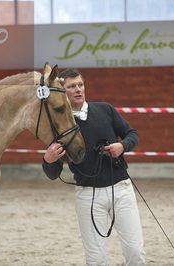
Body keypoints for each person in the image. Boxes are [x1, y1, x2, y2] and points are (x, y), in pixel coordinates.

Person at [42, 69, 146, 266]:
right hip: (87, 195)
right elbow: (52, 173)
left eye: (80, 85)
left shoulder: (105, 109)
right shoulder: (58, 125)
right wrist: (48, 159)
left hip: (121, 189)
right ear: (63, 92)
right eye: (72, 86)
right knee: (96, 259)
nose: (78, 90)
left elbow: (132, 134)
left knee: (135, 252)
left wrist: (122, 146)